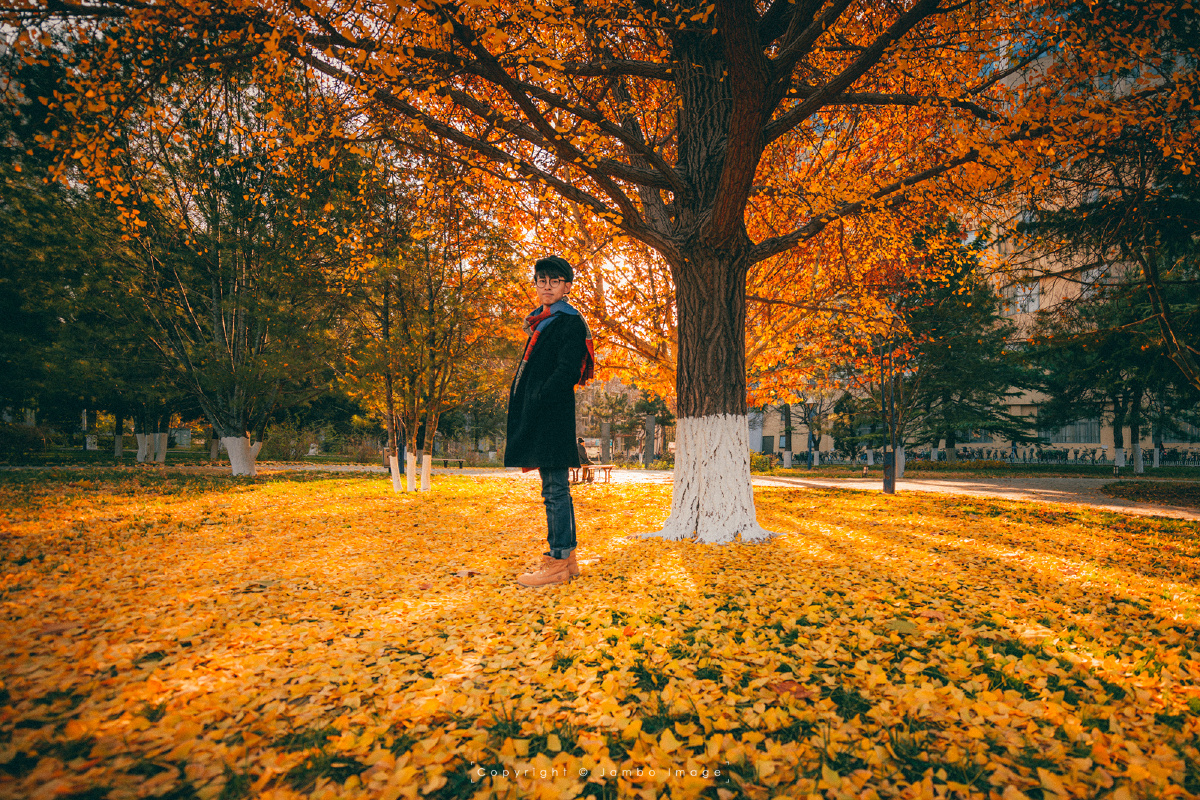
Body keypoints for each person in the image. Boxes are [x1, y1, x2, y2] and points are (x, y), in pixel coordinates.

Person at [505, 256, 594, 587]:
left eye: (553, 281)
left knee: (554, 491)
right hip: (547, 414)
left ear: (567, 287)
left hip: (552, 415)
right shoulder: (544, 321)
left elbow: (568, 370)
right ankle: (567, 560)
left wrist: (540, 396)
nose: (546, 286)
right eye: (541, 280)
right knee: (558, 489)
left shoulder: (567, 322)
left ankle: (557, 562)